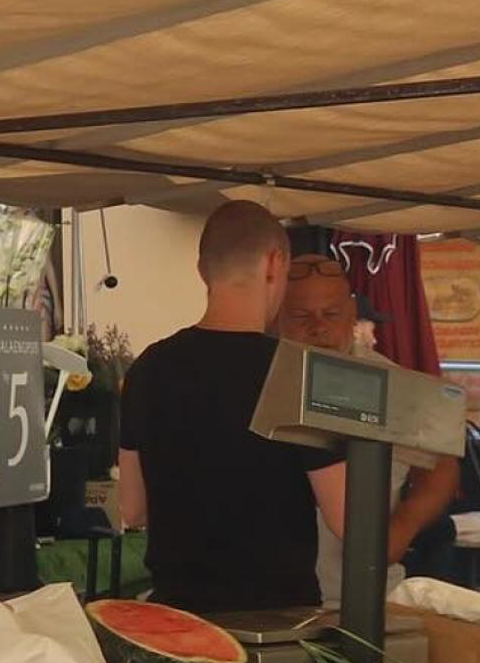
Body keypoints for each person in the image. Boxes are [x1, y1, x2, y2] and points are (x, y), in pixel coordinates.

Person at [117, 201, 344, 616]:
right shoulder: (296, 373)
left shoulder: (148, 367)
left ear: (202, 270)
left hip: (177, 617)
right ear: (275, 264)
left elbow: (131, 508)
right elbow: (346, 516)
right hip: (276, 622)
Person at [274, 245, 460, 610]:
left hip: (365, 599)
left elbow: (442, 465)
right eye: (301, 316)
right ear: (276, 316)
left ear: (352, 315)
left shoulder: (390, 384)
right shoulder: (258, 379)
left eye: (331, 313)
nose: (319, 328)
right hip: (272, 603)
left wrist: (401, 527)